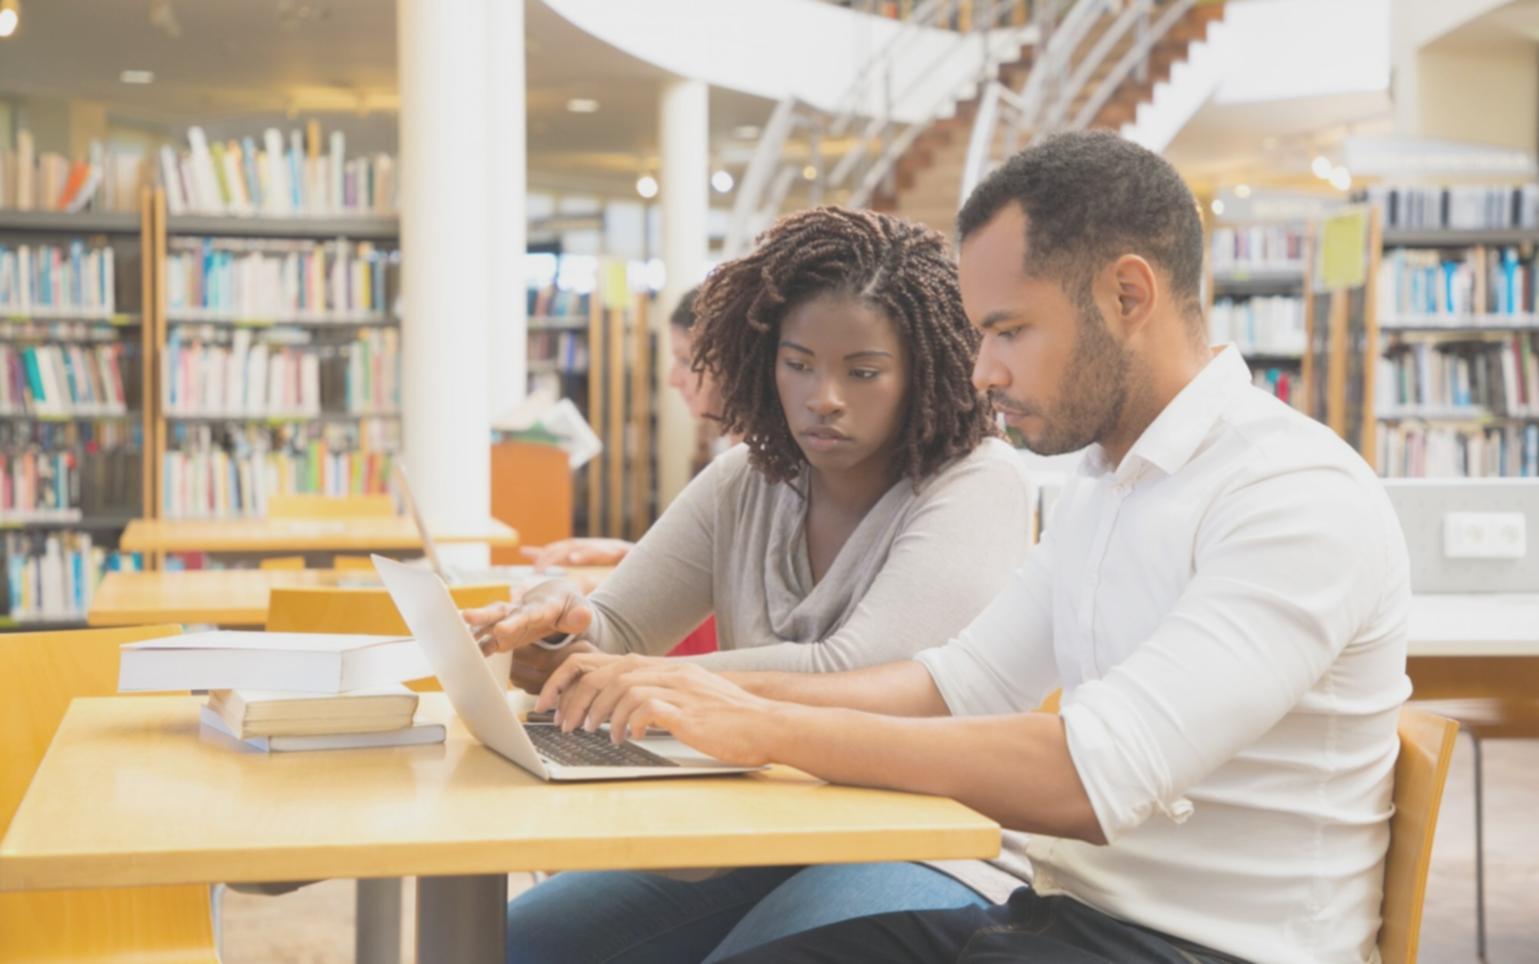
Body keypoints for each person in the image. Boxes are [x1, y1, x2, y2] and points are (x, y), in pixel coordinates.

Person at [535, 131, 1412, 964]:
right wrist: (694, 690)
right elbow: (957, 686)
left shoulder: (1292, 494)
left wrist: (762, 722)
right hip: (1061, 920)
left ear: (1128, 297)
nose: (982, 370)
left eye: (1008, 330)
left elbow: (1088, 776)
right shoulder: (1109, 480)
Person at [468, 206, 1037, 963]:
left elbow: (858, 672)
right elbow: (617, 629)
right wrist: (557, 625)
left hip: (931, 838)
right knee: (507, 945)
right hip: (762, 820)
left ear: (925, 371)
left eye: (862, 372)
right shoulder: (744, 477)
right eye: (798, 363)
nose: (823, 395)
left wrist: (634, 677)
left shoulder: (978, 483)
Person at [523, 286, 723, 573]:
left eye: (685, 360)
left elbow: (722, 593)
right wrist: (626, 556)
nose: (672, 379)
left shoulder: (753, 471)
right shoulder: (729, 457)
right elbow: (709, 575)